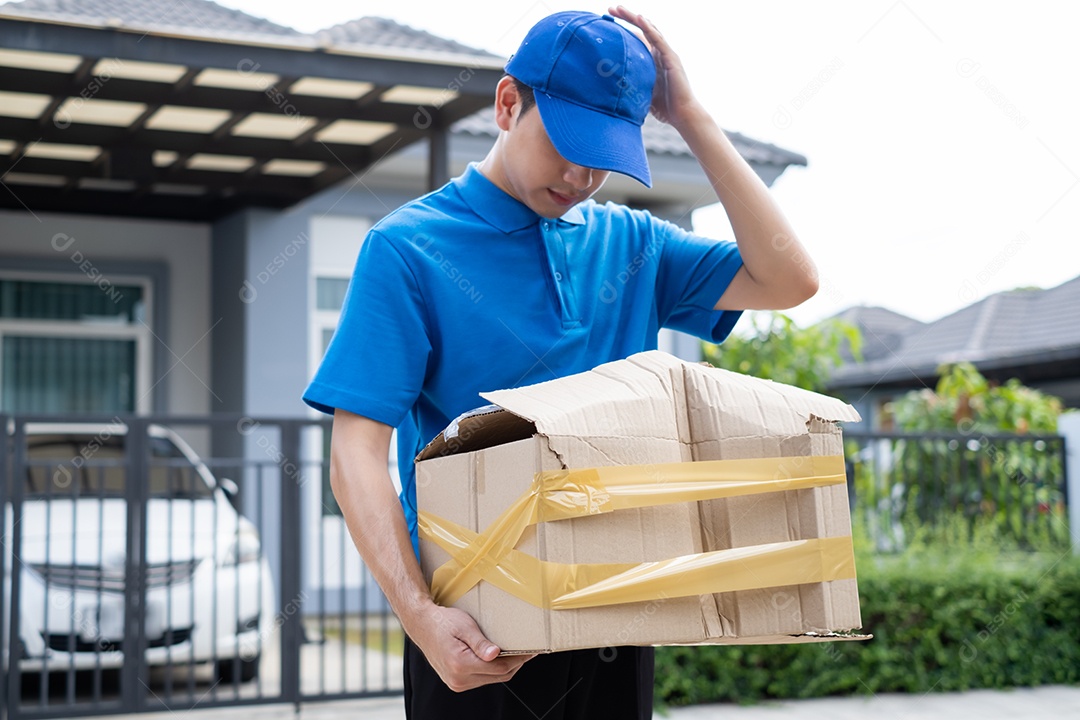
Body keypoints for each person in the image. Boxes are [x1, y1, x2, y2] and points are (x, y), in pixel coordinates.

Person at [302, 6, 819, 718]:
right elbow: (356, 453)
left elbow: (791, 280)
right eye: (568, 144)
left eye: (604, 156)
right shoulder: (407, 248)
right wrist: (420, 616)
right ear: (508, 103)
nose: (581, 174)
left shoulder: (635, 243)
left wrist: (691, 115)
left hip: (619, 615)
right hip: (480, 635)